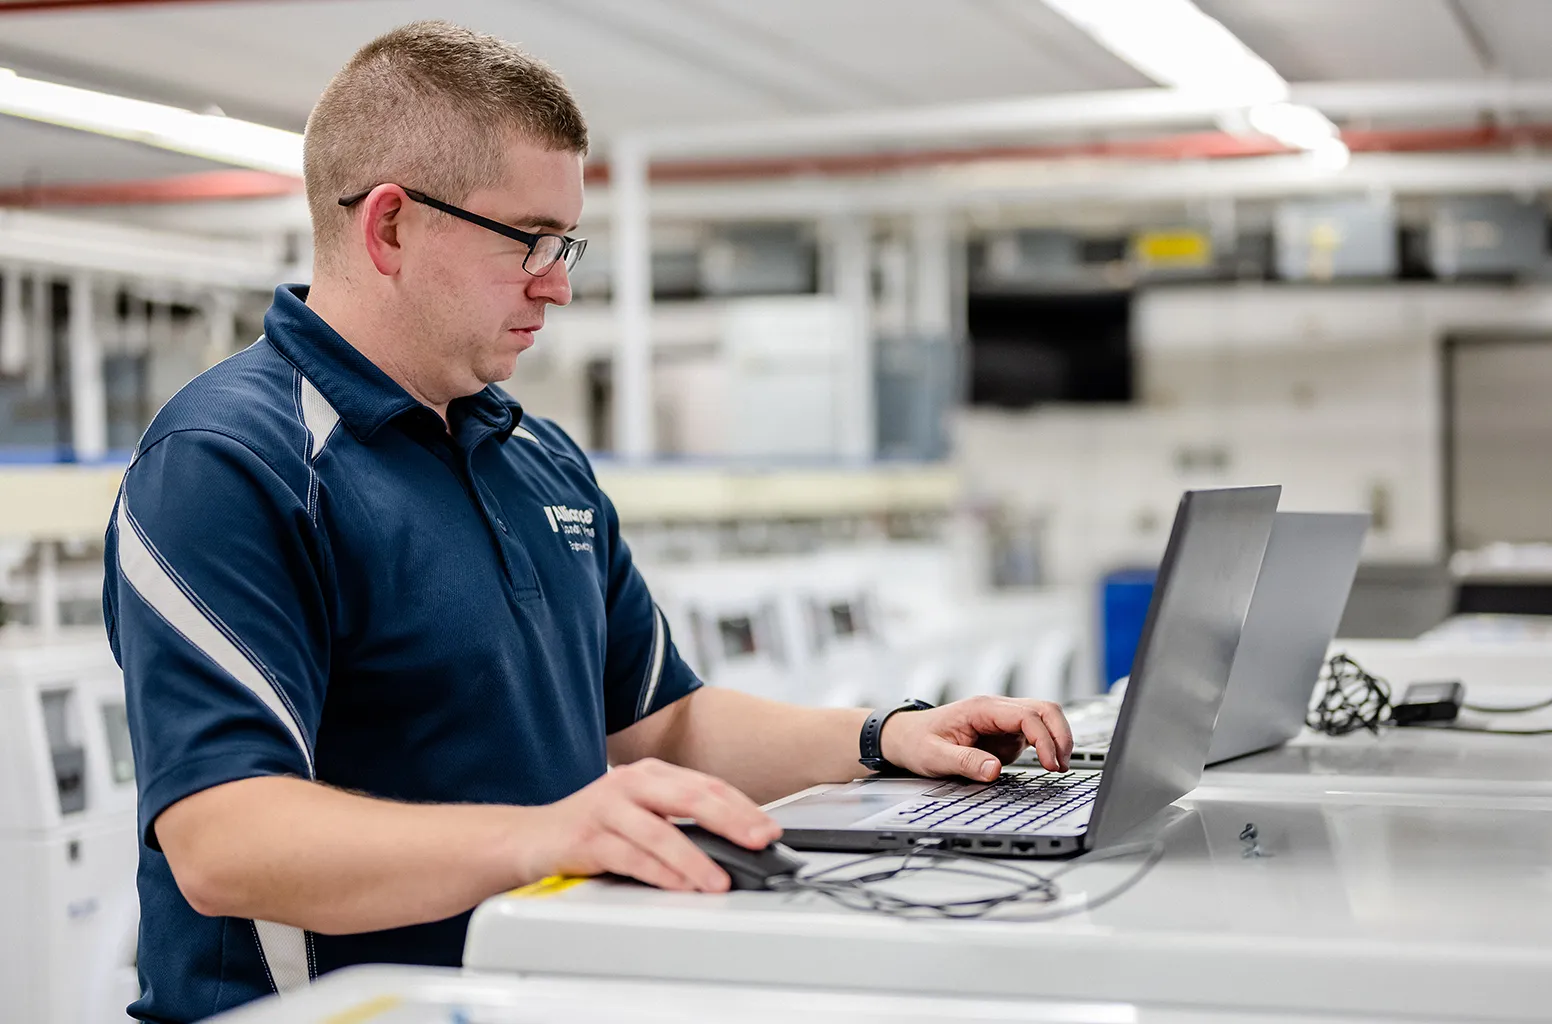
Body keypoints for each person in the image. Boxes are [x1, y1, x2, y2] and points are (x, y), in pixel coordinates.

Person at [103, 21, 1072, 1023]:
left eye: (565, 243)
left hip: (540, 991)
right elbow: (226, 840)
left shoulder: (536, 456)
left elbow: (660, 723)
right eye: (528, 240)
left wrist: (885, 734)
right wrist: (544, 836)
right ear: (389, 226)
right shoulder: (230, 463)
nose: (557, 283)